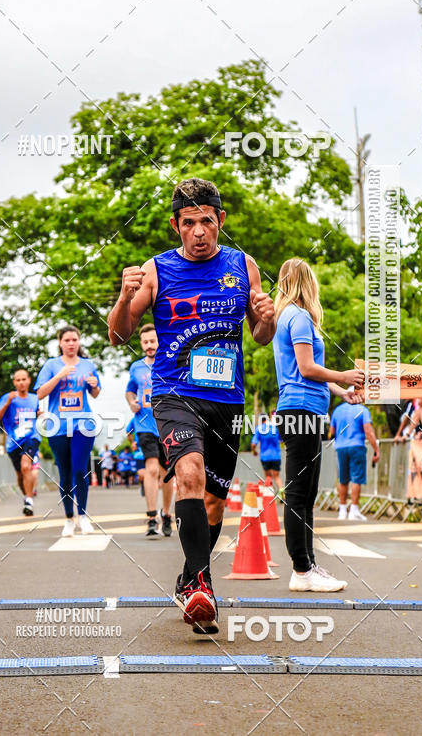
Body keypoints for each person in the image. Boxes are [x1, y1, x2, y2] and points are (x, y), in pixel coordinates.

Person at [108, 177, 276, 634]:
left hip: (227, 398)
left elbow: (260, 336)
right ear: (175, 225)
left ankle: (188, 579)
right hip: (174, 393)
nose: (198, 232)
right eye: (188, 223)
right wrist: (123, 298)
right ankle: (203, 586)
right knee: (189, 474)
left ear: (220, 220)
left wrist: (266, 319)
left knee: (215, 502)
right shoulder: (157, 269)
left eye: (206, 221)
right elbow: (119, 335)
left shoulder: (243, 264)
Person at [273, 258, 364, 593]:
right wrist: (344, 375)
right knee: (299, 494)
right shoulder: (298, 317)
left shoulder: (286, 316)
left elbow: (306, 372)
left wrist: (341, 391)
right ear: (307, 282)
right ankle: (301, 569)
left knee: (306, 493)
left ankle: (308, 565)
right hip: (301, 410)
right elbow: (307, 368)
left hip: (303, 408)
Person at [35, 325, 101, 536]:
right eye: (67, 340)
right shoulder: (51, 365)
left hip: (83, 425)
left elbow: (95, 393)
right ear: (60, 343)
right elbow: (40, 393)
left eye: (74, 340)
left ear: (79, 342)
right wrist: (59, 376)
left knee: (80, 470)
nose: (71, 343)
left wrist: (94, 385)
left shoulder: (88, 364)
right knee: (64, 474)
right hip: (58, 426)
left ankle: (83, 516)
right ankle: (69, 518)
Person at [125, 323, 174, 537]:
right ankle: (152, 517)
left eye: (152, 341)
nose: (149, 345)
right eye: (145, 342)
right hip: (144, 424)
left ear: (159, 340)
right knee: (151, 469)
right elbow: (129, 391)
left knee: (167, 474)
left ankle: (167, 514)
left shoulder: (170, 361)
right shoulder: (136, 367)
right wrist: (131, 402)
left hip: (167, 425)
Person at [0, 369, 40, 517]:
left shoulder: (35, 399)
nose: (21, 383)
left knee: (26, 466)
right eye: (18, 380)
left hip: (31, 437)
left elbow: (38, 414)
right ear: (14, 382)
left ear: (29, 380)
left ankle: (29, 501)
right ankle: (27, 496)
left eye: (23, 379)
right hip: (13, 442)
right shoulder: (7, 398)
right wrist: (7, 403)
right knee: (20, 475)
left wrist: (40, 415)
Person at [329, 394, 379, 521]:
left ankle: (342, 511)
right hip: (356, 446)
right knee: (357, 478)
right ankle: (354, 510)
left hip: (341, 447)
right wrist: (376, 449)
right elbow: (368, 431)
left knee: (343, 479)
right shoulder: (362, 410)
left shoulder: (337, 410)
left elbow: (332, 431)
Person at [251, 409, 283, 494]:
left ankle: (270, 495)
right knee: (277, 477)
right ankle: (281, 490)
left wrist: (254, 451)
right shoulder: (274, 428)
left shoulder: (259, 429)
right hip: (276, 456)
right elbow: (281, 440)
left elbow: (253, 444)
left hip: (265, 457)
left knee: (268, 477)